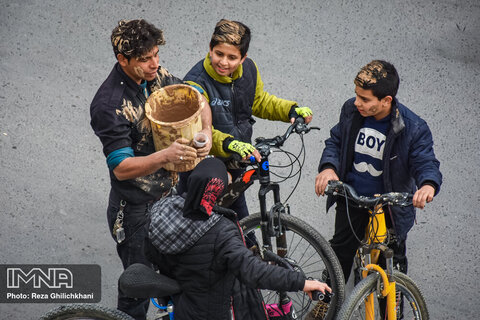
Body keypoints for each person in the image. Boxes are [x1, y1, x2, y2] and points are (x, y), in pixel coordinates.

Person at [90, 19, 212, 320]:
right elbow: (121, 168)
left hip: (169, 198)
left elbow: (197, 98)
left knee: (180, 270)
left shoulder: (157, 76)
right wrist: (165, 155)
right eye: (145, 59)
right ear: (123, 60)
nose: (155, 63)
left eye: (156, 54)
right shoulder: (110, 105)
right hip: (134, 211)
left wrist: (206, 131)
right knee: (136, 292)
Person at [311, 60, 442, 318]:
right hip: (352, 198)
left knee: (390, 269)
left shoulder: (413, 127)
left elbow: (425, 161)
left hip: (389, 207)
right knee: (339, 255)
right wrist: (328, 167)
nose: (357, 102)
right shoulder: (351, 110)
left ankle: (392, 314)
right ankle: (325, 304)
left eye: (364, 98)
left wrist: (427, 184)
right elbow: (336, 140)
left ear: (386, 100)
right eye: (357, 95)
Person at [145, 157, 331, 320]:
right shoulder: (220, 232)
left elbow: (150, 253)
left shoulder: (163, 210)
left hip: (180, 305)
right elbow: (254, 272)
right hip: (214, 311)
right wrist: (303, 283)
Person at [177, 19, 313, 221]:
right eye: (219, 54)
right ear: (210, 49)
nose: (224, 62)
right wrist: (231, 143)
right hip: (203, 167)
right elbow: (197, 130)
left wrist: (290, 110)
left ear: (243, 58)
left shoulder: (249, 69)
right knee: (197, 222)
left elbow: (258, 101)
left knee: (235, 220)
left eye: (232, 57)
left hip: (235, 161)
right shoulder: (195, 83)